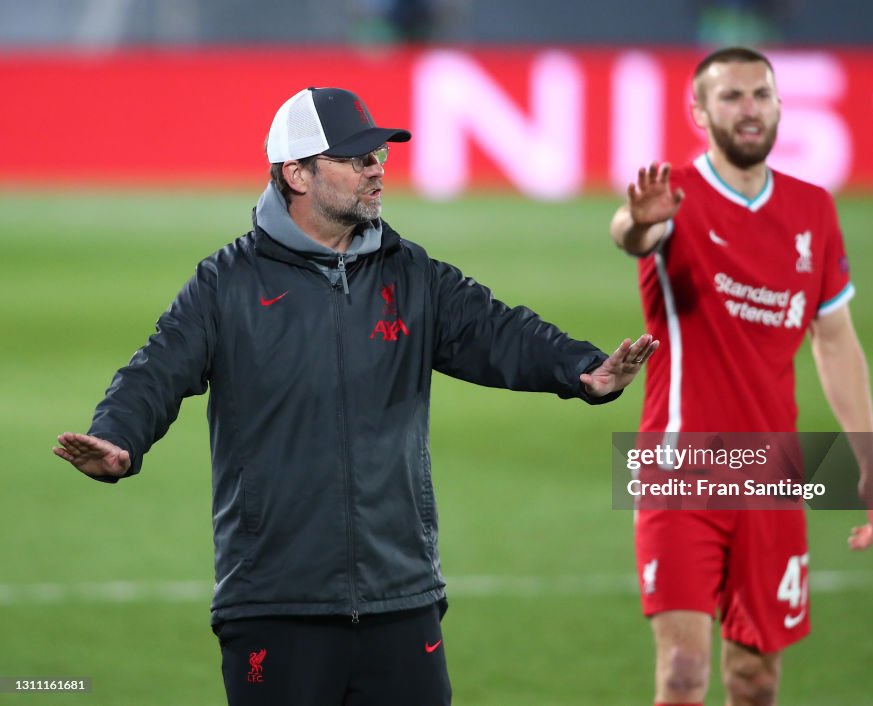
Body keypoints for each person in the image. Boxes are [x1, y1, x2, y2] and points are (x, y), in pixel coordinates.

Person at [53, 86, 657, 706]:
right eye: (356, 158)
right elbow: (155, 370)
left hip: (401, 597)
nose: (377, 168)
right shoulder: (225, 283)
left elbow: (496, 330)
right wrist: (119, 437)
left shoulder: (411, 273)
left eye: (379, 155)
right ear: (297, 173)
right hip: (274, 602)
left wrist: (583, 370)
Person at [609, 47, 873, 706]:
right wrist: (639, 222)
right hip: (681, 472)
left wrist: (870, 464)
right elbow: (631, 232)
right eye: (731, 96)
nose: (749, 109)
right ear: (699, 111)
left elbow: (836, 342)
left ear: (779, 106)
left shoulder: (812, 210)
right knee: (683, 674)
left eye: (761, 95)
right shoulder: (672, 196)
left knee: (756, 679)